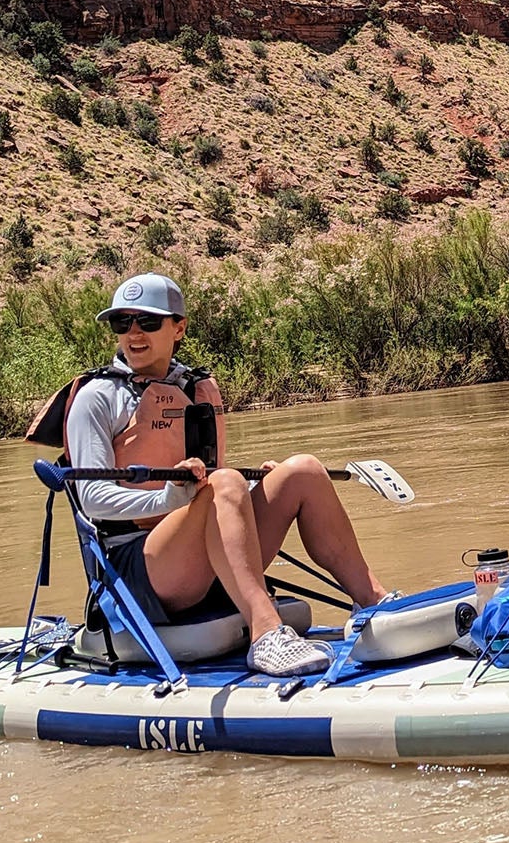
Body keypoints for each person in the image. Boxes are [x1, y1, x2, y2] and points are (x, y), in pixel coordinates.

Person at [61, 273, 391, 677]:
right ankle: (266, 634)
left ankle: (374, 604)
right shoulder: (97, 398)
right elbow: (93, 499)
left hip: (197, 552)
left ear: (178, 328)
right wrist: (167, 500)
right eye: (121, 323)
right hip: (138, 568)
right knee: (228, 482)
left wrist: (255, 487)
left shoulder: (196, 387)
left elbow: (210, 487)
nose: (133, 334)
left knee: (302, 470)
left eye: (147, 322)